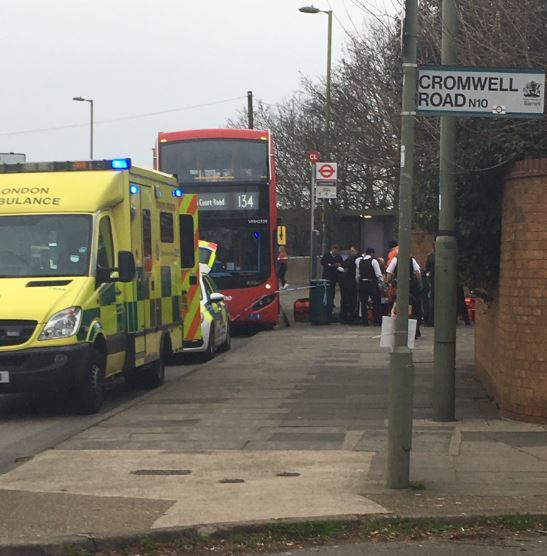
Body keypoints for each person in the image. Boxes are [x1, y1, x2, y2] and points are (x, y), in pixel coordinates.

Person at [386, 254, 423, 338]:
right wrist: (419, 283)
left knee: (397, 307)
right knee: (413, 309)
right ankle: (415, 331)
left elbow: (389, 273)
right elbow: (418, 272)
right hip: (411, 287)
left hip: (399, 287)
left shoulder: (395, 260)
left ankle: (398, 329)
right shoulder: (411, 260)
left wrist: (389, 282)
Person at [355, 247, 383, 326]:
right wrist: (382, 283)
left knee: (363, 303)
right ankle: (376, 321)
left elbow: (357, 274)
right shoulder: (373, 261)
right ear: (372, 253)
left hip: (362, 283)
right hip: (371, 283)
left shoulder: (359, 261)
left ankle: (365, 321)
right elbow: (378, 274)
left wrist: (358, 282)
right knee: (376, 302)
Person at [338, 244, 360, 324]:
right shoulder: (354, 259)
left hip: (346, 282)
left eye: (352, 251)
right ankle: (350, 317)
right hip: (350, 282)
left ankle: (344, 317)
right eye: (351, 251)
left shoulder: (351, 259)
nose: (351, 252)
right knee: (351, 300)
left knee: (345, 300)